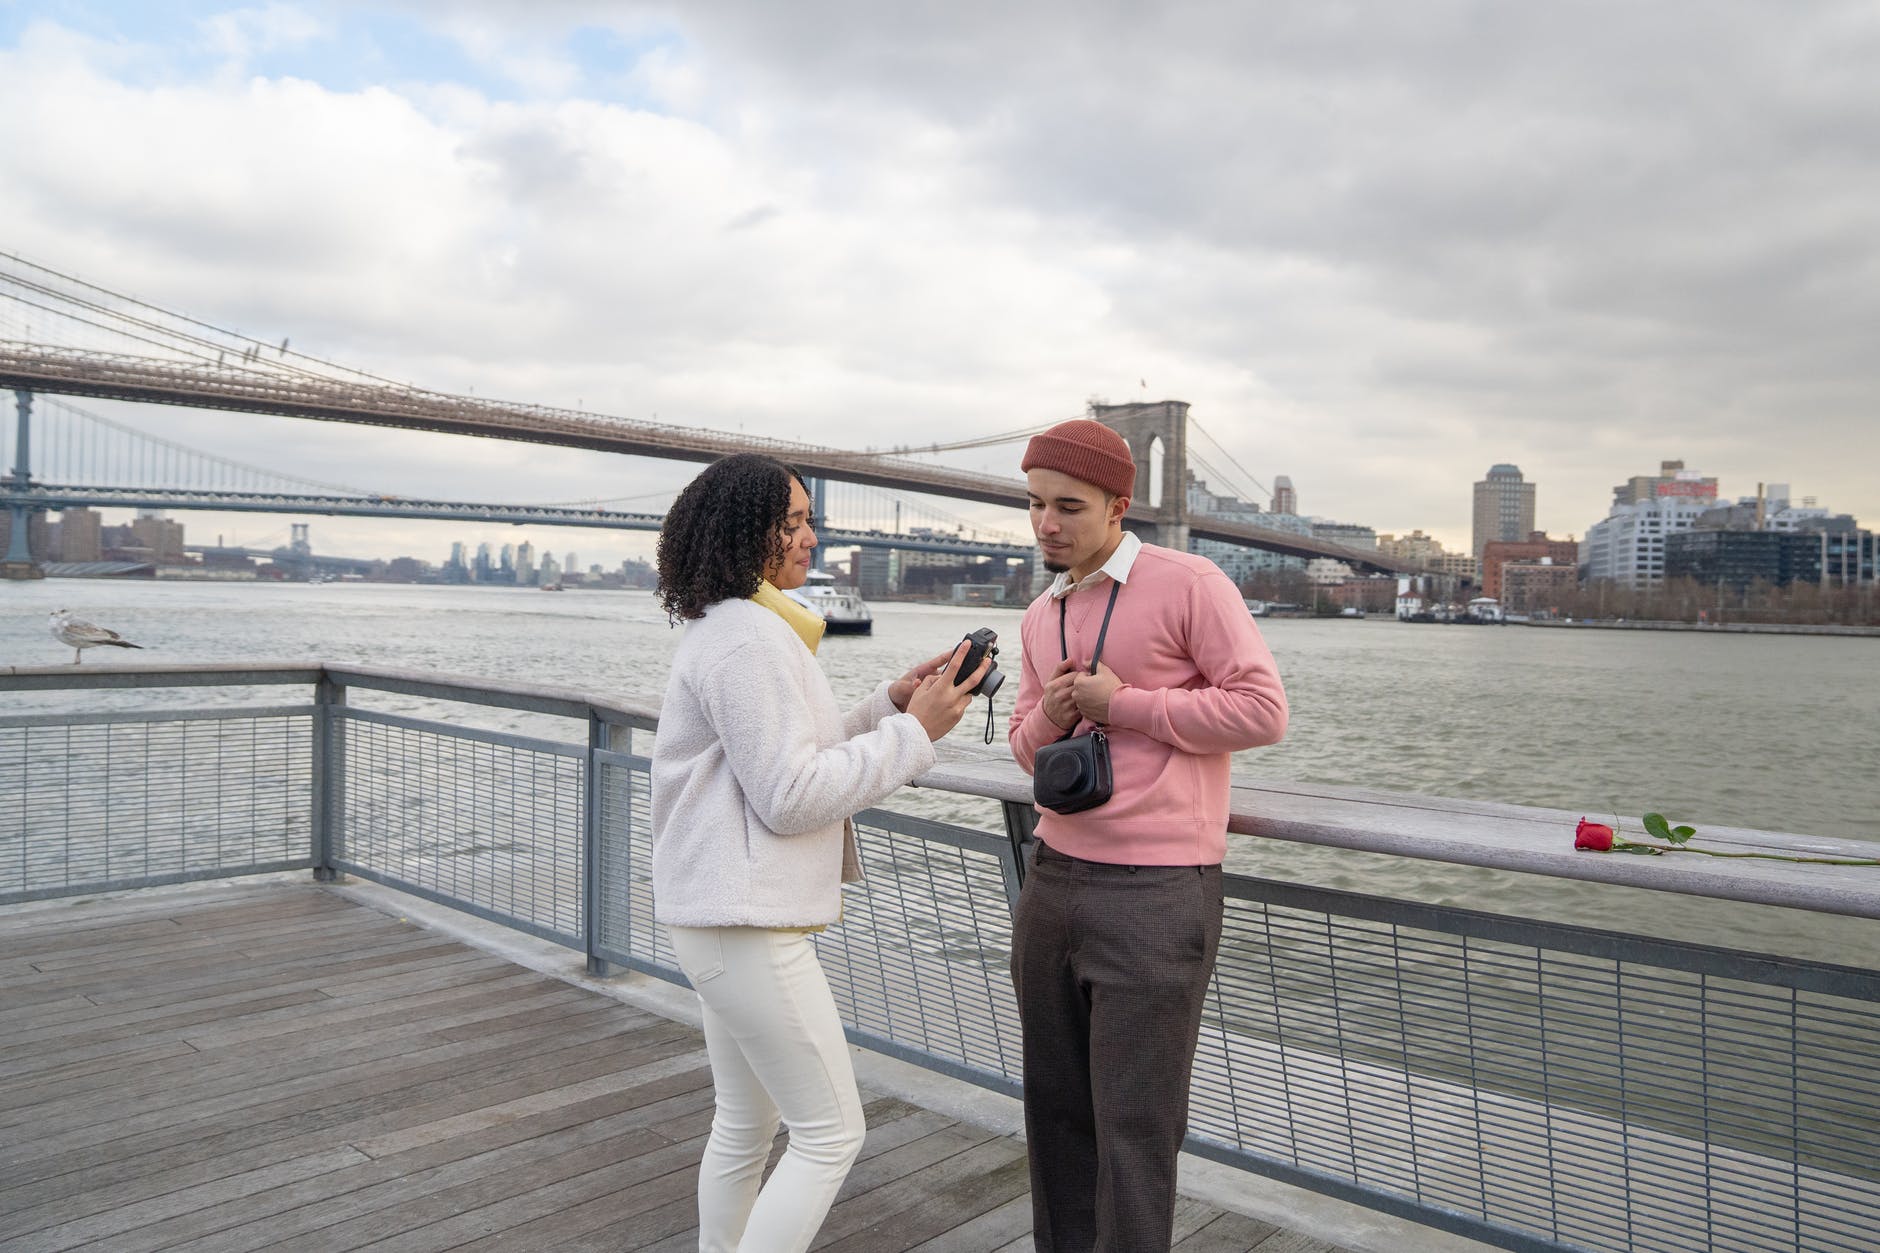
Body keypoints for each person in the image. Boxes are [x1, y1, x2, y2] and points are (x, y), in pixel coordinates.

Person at [650, 451, 989, 1253]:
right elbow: (792, 794)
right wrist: (917, 734)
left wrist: (888, 706)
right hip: (747, 925)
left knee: (745, 1123)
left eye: (808, 518)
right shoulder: (750, 640)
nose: (811, 535)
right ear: (746, 533)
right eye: (793, 521)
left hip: (718, 919)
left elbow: (782, 758)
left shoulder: (738, 629)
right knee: (832, 1132)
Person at [1006, 419, 1289, 1251]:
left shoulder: (1190, 582)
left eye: (1069, 507)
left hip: (1158, 891)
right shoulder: (1040, 612)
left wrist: (1122, 705)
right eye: (1034, 506)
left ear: (1120, 505)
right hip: (1051, 879)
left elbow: (1262, 709)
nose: (1047, 525)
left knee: (1135, 1133)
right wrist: (1056, 713)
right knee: (1054, 1115)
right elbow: (1025, 745)